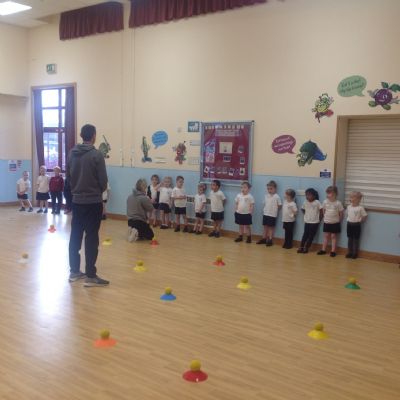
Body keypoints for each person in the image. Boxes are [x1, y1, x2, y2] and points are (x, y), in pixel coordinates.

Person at [67, 124, 109, 287]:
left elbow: (69, 177)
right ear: (93, 136)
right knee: (91, 237)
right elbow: (103, 181)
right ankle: (90, 275)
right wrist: (96, 191)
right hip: (93, 202)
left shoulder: (72, 153)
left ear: (81, 135)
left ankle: (74, 272)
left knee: (75, 236)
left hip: (77, 201)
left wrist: (77, 190)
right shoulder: (96, 155)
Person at [318, 186, 344, 257]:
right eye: (327, 193)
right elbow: (323, 210)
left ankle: (333, 251)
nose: (328, 195)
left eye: (330, 193)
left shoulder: (338, 203)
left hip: (335, 223)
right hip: (327, 222)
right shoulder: (325, 202)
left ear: (335, 194)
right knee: (326, 236)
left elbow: (341, 213)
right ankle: (323, 249)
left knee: (333, 236)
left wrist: (339, 220)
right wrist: (325, 218)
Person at [297, 188, 322, 254]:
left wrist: (319, 219)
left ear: (314, 196)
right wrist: (306, 214)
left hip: (315, 223)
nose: (307, 196)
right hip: (307, 222)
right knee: (305, 235)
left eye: (309, 195)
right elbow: (302, 209)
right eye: (306, 195)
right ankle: (301, 247)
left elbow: (321, 210)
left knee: (311, 236)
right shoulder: (305, 202)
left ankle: (306, 247)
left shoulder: (317, 202)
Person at [257, 180, 282, 246]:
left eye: (271, 189)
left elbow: (280, 205)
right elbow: (264, 204)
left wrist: (274, 211)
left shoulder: (277, 196)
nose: (269, 190)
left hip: (272, 215)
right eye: (268, 189)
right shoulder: (266, 196)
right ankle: (264, 239)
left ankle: (270, 240)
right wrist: (265, 210)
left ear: (275, 189)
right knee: (265, 227)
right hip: (265, 214)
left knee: (271, 228)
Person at [346, 191, 367, 259]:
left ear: (358, 199)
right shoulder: (349, 207)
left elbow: (365, 215)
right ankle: (349, 252)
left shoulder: (360, 208)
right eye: (350, 197)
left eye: (352, 197)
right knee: (350, 239)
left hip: (356, 225)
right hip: (349, 224)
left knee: (356, 239)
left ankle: (355, 253)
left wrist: (360, 221)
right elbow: (347, 214)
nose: (350, 199)